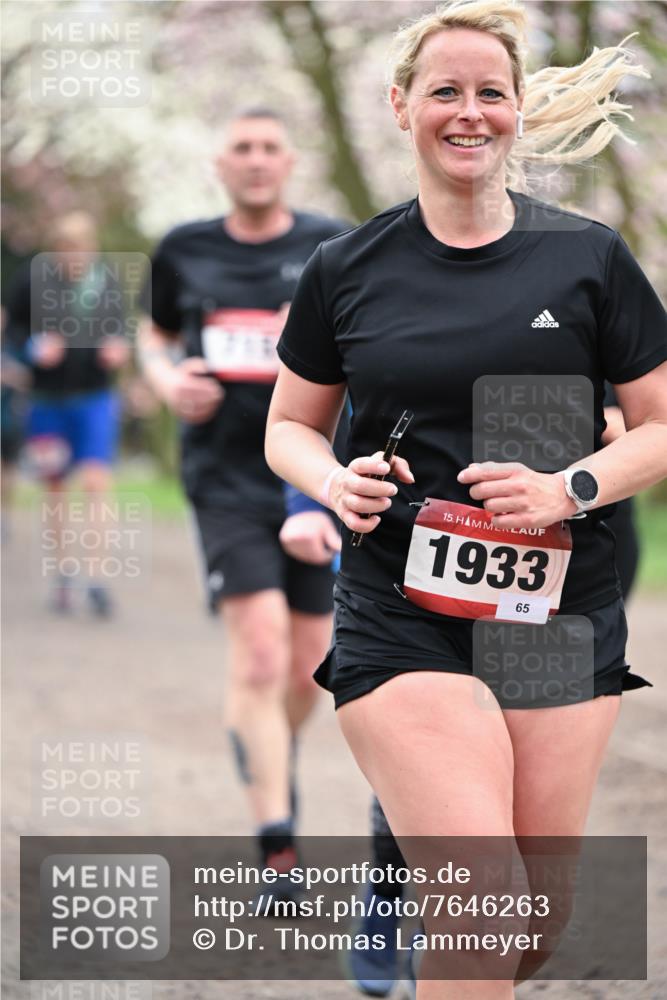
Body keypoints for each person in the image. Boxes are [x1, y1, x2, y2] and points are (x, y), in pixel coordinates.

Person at [265, 2, 667, 996]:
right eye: (445, 89)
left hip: (554, 615)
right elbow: (290, 426)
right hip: (401, 610)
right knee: (480, 896)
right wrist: (334, 479)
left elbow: (659, 425)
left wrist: (566, 485)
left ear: (518, 111)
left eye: (491, 91)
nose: (469, 111)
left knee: (530, 918)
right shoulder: (344, 269)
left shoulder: (587, 259)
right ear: (400, 105)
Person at [139, 109, 345, 885]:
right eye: (240, 149)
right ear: (218, 164)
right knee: (258, 653)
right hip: (223, 479)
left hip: (314, 479)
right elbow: (154, 336)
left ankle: (265, 742)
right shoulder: (184, 249)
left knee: (305, 673)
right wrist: (167, 381)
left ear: (289, 161)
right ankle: (277, 841)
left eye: (269, 147)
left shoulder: (330, 247)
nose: (256, 161)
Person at [4, 211, 129, 614]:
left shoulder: (107, 280)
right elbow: (13, 332)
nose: (75, 259)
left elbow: (122, 328)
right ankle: (63, 574)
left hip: (95, 398)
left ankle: (97, 578)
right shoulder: (32, 280)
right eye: (68, 250)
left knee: (96, 483)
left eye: (82, 250)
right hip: (46, 402)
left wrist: (118, 347)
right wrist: (33, 347)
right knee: (55, 489)